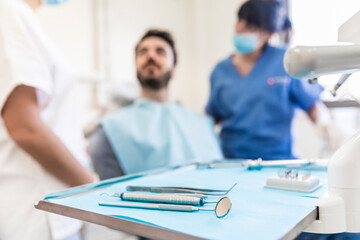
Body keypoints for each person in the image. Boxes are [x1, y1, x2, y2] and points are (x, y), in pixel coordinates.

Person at [0, 0, 94, 239]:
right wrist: (90, 184)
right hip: (37, 215)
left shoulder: (21, 18)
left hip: (52, 210)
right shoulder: (10, 11)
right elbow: (25, 128)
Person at [89, 29, 223, 180]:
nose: (150, 56)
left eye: (160, 51)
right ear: (136, 66)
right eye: (143, 52)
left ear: (173, 69)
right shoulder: (111, 130)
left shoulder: (202, 124)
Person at [206, 0, 324, 161]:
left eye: (251, 26)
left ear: (269, 34)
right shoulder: (220, 70)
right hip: (232, 163)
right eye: (240, 20)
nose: (239, 28)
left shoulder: (287, 61)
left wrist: (327, 128)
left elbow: (312, 106)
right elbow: (212, 116)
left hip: (279, 162)